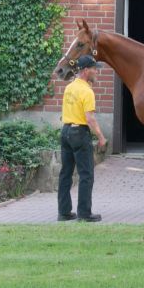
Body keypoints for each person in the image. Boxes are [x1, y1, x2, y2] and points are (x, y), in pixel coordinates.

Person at [57, 55, 107, 222]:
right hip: (79, 133)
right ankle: (84, 214)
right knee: (86, 174)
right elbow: (90, 118)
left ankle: (64, 213)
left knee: (65, 173)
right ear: (86, 70)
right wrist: (101, 137)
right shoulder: (87, 91)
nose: (96, 72)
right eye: (94, 69)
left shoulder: (70, 87)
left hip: (65, 132)